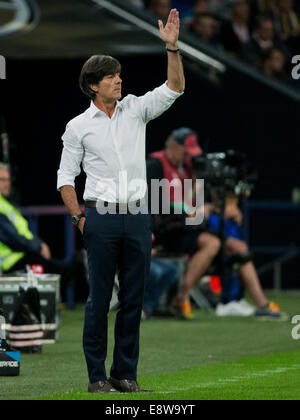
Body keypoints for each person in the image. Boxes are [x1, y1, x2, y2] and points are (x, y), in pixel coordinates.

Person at [57, 9, 185, 394]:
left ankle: (124, 376)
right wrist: (80, 219)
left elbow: (175, 87)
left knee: (133, 301)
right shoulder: (78, 127)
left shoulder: (136, 108)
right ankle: (97, 378)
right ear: (93, 85)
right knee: (99, 302)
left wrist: (173, 48)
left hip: (137, 217)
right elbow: (65, 179)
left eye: (119, 74)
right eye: (111, 76)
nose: (119, 79)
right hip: (100, 219)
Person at [0, 163, 78, 303]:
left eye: (8, 180)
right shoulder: (2, 206)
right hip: (14, 264)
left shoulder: (6, 204)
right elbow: (13, 239)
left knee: (64, 269)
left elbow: (22, 234)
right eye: (2, 180)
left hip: (25, 257)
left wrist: (39, 245)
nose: (7, 184)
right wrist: (38, 247)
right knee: (64, 270)